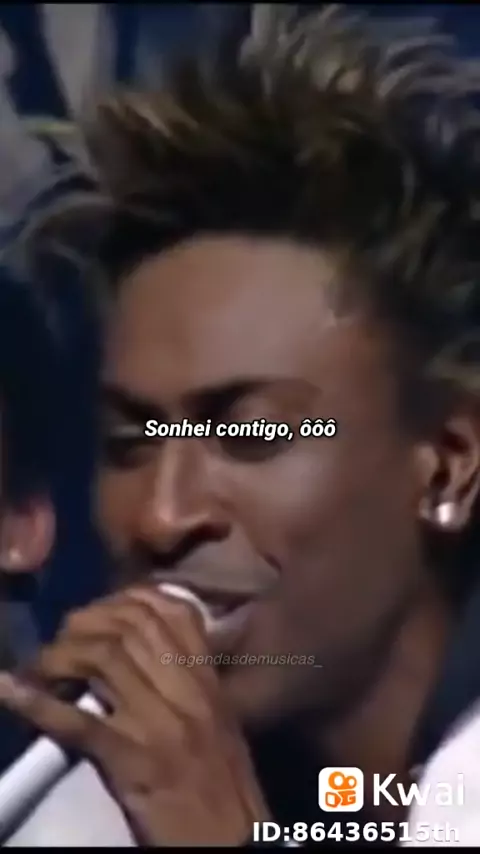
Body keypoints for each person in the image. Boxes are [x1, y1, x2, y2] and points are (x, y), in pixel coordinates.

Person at [2, 2, 480, 846]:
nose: (162, 516)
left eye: (250, 436)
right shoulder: (86, 809)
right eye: (130, 443)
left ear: (447, 465)